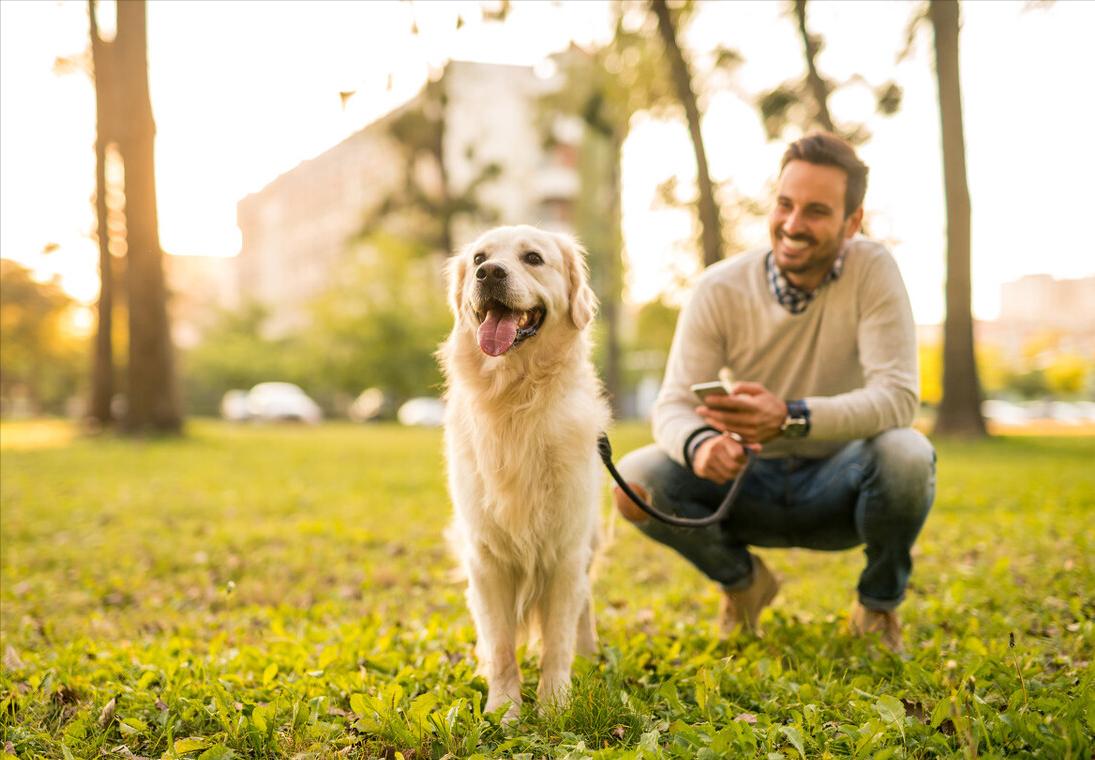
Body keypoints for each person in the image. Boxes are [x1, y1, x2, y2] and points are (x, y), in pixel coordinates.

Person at [614, 132, 935, 651]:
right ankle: (743, 584)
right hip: (745, 485)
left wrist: (790, 415)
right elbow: (672, 404)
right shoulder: (719, 288)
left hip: (841, 484)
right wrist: (701, 446)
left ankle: (877, 606)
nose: (792, 224)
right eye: (785, 204)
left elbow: (898, 397)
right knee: (636, 481)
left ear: (852, 222)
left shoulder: (873, 270)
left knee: (908, 454)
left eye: (816, 211)